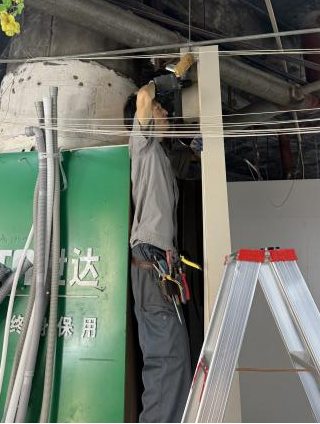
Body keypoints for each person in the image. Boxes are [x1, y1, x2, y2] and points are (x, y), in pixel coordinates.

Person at [124, 60, 199, 424]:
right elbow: (142, 96)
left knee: (176, 359)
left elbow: (182, 165)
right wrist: (175, 73)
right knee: (167, 360)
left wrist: (196, 149)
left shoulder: (160, 158)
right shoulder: (141, 144)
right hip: (151, 260)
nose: (165, 112)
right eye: (160, 108)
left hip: (161, 264)